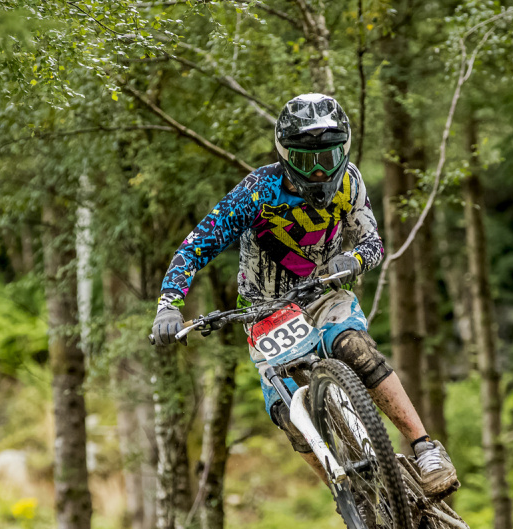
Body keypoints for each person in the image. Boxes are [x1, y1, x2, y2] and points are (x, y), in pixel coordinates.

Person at [151, 93, 458, 498]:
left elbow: (373, 243)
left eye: (327, 159)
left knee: (355, 348)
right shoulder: (256, 191)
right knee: (286, 411)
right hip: (264, 311)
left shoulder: (350, 181)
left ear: (343, 152)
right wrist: (168, 304)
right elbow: (195, 247)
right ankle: (344, 495)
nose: (318, 172)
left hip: (323, 292)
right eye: (305, 160)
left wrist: (352, 261)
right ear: (284, 155)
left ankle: (425, 448)